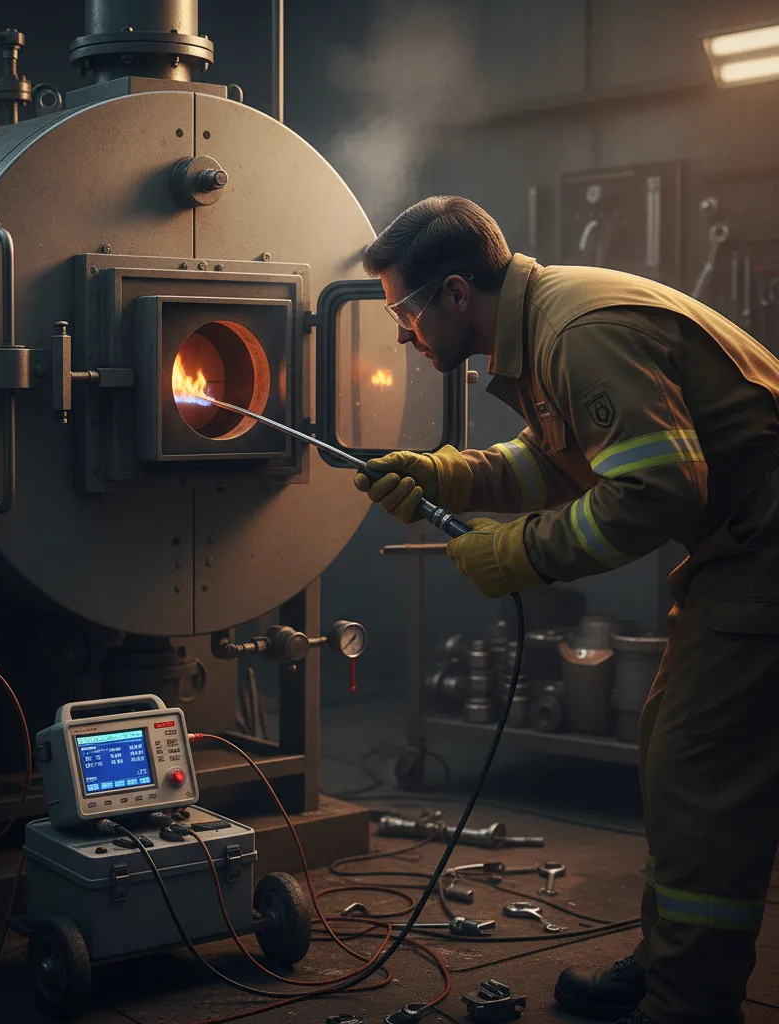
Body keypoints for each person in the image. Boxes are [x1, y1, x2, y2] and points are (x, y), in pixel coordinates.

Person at [354, 196, 779, 1024]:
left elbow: (656, 490)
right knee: (671, 752)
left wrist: (512, 554)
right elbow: (561, 459)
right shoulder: (545, 325)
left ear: (452, 294)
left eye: (403, 311)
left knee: (696, 767)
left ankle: (689, 1003)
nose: (402, 333)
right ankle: (668, 964)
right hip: (741, 548)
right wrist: (449, 476)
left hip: (764, 551)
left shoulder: (577, 334)